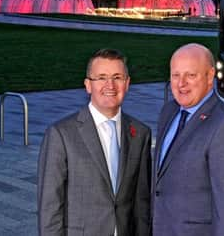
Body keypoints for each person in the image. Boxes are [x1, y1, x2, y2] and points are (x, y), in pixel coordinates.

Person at [37, 48, 152, 236]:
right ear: (88, 85)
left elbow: (142, 204)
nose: (110, 85)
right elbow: (50, 208)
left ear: (127, 83)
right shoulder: (61, 134)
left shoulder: (140, 133)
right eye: (101, 78)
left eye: (117, 77)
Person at [153, 43, 224, 236]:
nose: (181, 84)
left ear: (210, 75)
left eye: (191, 75)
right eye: (175, 75)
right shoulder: (169, 111)